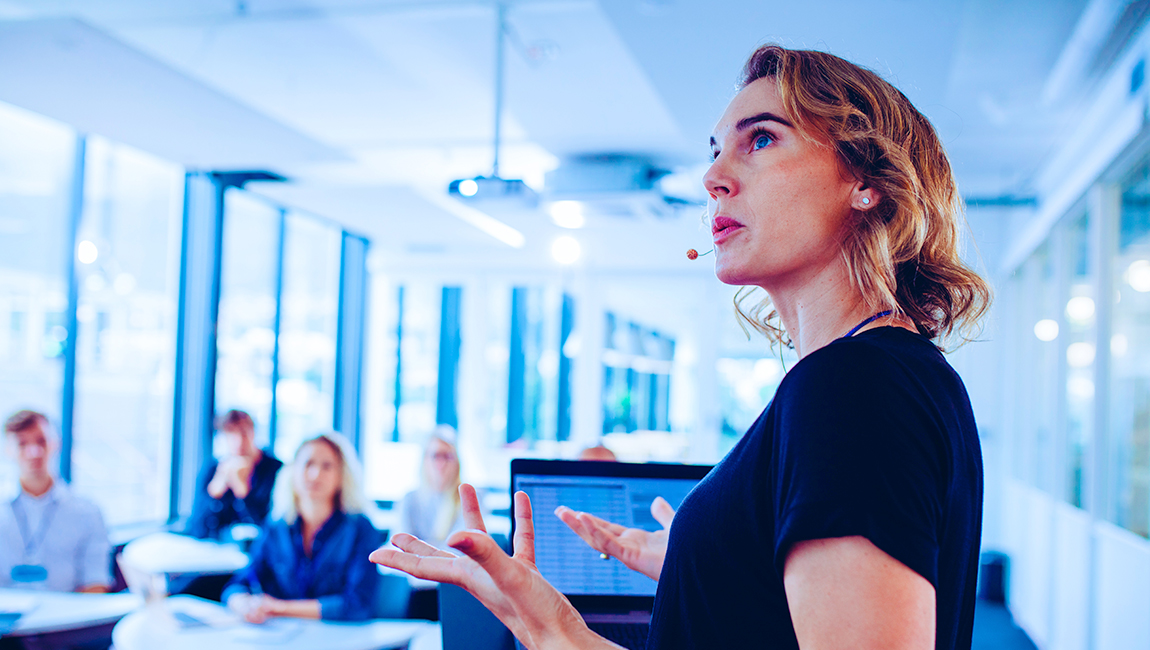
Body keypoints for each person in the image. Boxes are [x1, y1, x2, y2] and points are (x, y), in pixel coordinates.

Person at [371, 43, 991, 650]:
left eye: (763, 139)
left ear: (865, 181)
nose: (713, 178)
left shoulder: (853, 387)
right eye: (717, 151)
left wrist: (553, 629)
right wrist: (715, 569)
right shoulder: (879, 374)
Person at [223, 432, 380, 622]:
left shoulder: (360, 529)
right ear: (293, 472)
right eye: (308, 464)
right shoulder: (277, 526)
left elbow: (357, 605)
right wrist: (243, 604)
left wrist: (280, 608)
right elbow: (239, 583)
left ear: (341, 475)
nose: (315, 475)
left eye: (327, 466)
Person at [0, 410, 111, 593]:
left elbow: (96, 582)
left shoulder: (88, 512)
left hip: (68, 618)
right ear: (8, 450)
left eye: (41, 441)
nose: (34, 452)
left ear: (55, 444)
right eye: (22, 444)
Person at [185, 409, 283, 540]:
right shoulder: (212, 470)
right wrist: (215, 493)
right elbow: (197, 528)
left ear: (253, 433)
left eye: (243, 432)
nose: (238, 440)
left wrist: (243, 492)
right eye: (231, 433)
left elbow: (273, 527)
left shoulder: (276, 470)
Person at [396, 426, 464, 549]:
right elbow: (400, 544)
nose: (441, 463)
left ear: (457, 462)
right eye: (435, 456)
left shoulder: (467, 499)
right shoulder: (410, 499)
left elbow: (463, 551)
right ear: (424, 459)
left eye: (447, 456)